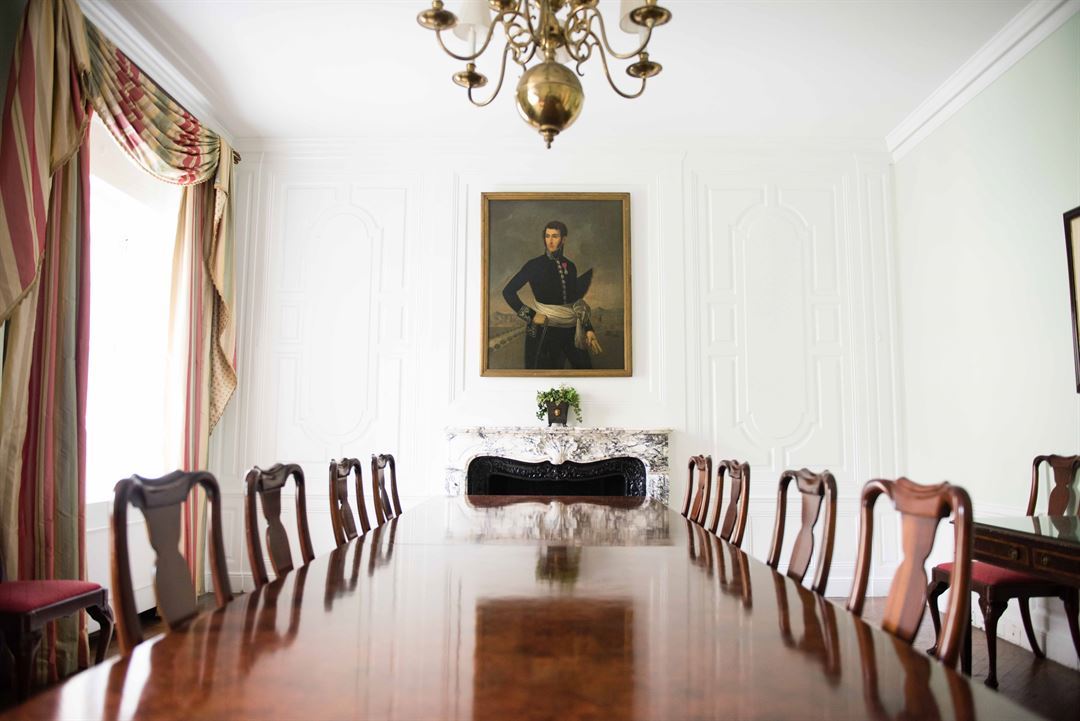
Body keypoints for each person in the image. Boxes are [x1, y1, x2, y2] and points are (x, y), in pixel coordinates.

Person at [502, 220, 603, 369]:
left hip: (571, 329)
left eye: (555, 236)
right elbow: (508, 292)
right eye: (547, 236)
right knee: (542, 374)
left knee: (585, 370)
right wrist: (531, 315)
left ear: (563, 239)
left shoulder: (571, 266)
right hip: (543, 330)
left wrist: (588, 329)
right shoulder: (533, 265)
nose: (550, 240)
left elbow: (576, 302)